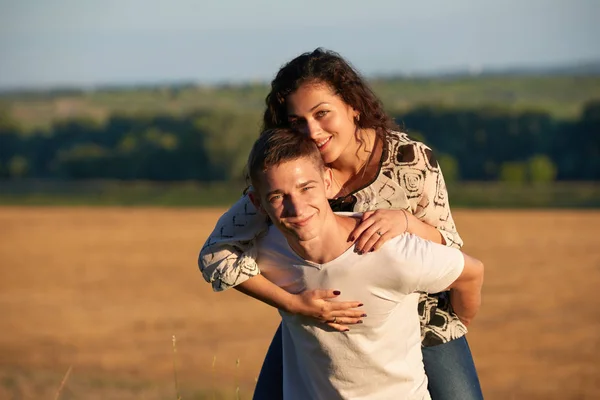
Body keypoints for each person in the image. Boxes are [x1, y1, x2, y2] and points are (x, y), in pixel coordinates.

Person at [199, 48, 484, 399]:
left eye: (322, 114)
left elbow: (450, 247)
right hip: (316, 316)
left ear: (353, 106)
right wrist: (293, 304)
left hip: (417, 318)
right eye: (297, 122)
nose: (312, 131)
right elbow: (215, 253)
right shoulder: (294, 174)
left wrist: (406, 221)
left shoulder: (412, 161)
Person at [245, 127, 484, 399]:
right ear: (258, 203)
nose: (297, 208)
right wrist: (292, 303)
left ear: (327, 181)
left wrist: (457, 323)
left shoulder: (389, 251)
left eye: (306, 188)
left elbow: (471, 272)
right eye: (277, 197)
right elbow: (214, 261)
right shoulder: (268, 249)